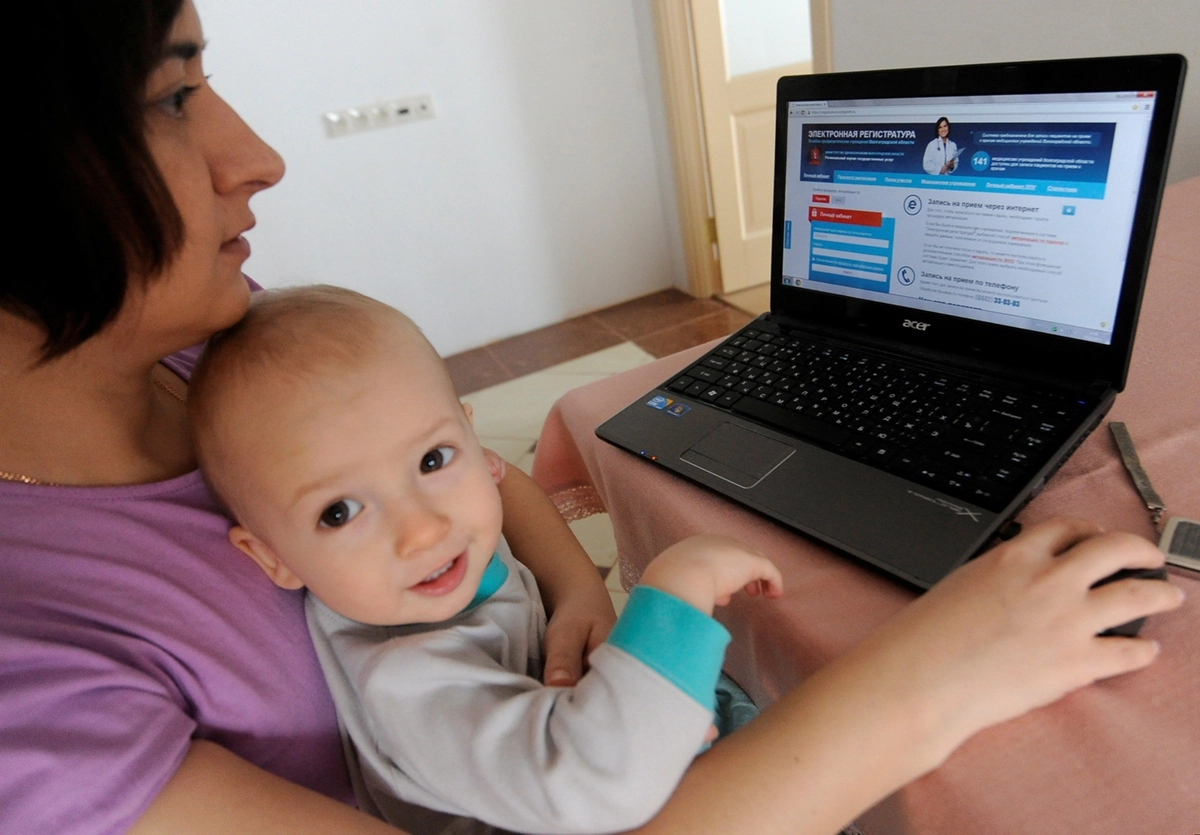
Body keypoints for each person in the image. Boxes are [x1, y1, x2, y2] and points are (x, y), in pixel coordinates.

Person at [0, 2, 1183, 833]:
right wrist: (939, 672)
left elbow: (484, 471)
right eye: (172, 96)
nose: (257, 157)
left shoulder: (208, 340)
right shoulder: (31, 675)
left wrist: (574, 583)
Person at [186, 285, 784, 834]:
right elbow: (600, 782)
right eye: (339, 512)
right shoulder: (408, 682)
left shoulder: (419, 566)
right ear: (273, 557)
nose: (423, 529)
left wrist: (580, 594)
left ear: (476, 445)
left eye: (432, 460)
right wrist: (676, 589)